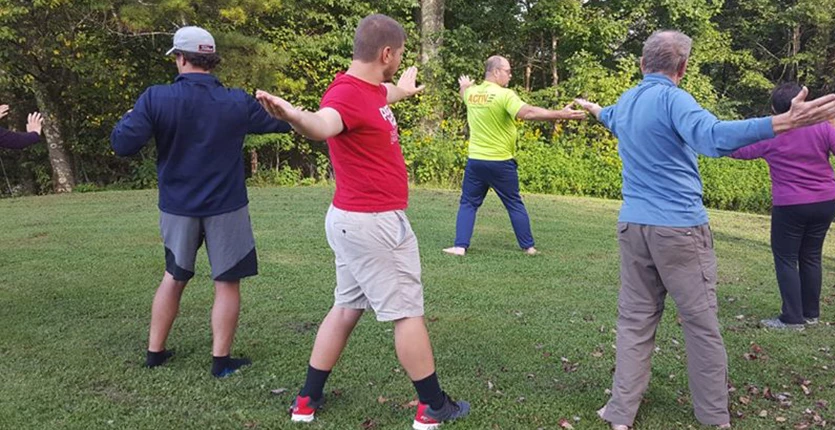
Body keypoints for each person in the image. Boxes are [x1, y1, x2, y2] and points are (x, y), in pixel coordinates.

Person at [574, 30, 835, 429]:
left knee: (634, 321)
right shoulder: (674, 99)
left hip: (634, 227)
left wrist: (593, 108)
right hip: (679, 230)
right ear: (682, 68)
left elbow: (609, 118)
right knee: (700, 325)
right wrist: (780, 122)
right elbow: (714, 138)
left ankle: (619, 413)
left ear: (641, 64)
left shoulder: (628, 100)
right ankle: (715, 417)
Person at [254, 14, 470, 429]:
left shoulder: (367, 90)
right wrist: (296, 117)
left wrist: (402, 91)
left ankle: (306, 401)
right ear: (386, 53)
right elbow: (325, 123)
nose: (399, 63)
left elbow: (381, 94)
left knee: (346, 307)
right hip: (374, 224)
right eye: (400, 56)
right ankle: (433, 407)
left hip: (351, 221)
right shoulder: (346, 96)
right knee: (406, 313)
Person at [110, 26, 292, 377]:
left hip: (178, 206)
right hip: (227, 206)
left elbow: (123, 144)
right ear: (211, 60)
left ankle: (155, 352)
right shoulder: (237, 101)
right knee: (226, 282)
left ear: (180, 58)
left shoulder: (155, 98)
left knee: (174, 276)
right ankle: (220, 362)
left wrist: (130, 115)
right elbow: (285, 123)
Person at [729, 83, 835, 329]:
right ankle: (810, 313)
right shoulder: (821, 127)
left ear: (775, 110)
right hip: (825, 201)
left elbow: (738, 152)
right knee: (811, 256)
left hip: (791, 203)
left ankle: (792, 317)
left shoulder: (772, 134)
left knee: (786, 258)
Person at [442, 56, 586, 257]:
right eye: (508, 71)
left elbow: (464, 93)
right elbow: (527, 113)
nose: (510, 75)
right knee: (513, 203)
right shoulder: (504, 95)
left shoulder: (473, 93)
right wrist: (560, 114)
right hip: (500, 162)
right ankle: (529, 247)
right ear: (496, 72)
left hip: (476, 161)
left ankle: (460, 247)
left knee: (468, 203)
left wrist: (464, 85)